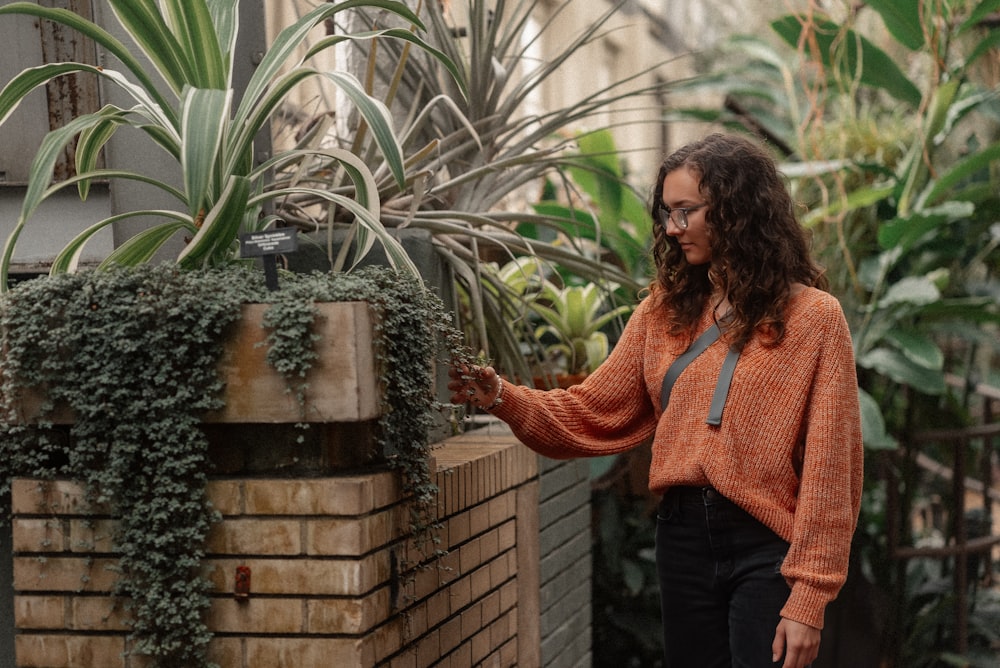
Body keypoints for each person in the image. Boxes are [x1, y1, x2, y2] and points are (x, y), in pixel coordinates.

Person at [448, 132, 863, 668]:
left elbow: (833, 473)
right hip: (683, 539)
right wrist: (503, 397)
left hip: (769, 546)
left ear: (736, 209)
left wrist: (809, 598)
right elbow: (591, 411)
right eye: (667, 213)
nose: (672, 228)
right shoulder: (661, 315)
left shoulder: (816, 319)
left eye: (686, 211)